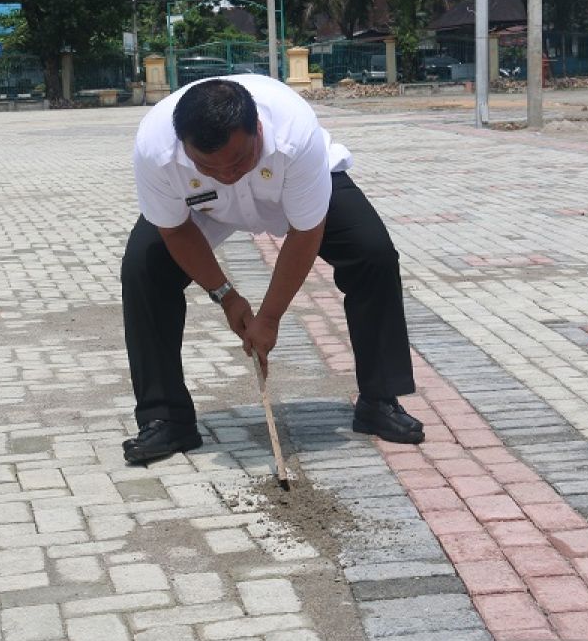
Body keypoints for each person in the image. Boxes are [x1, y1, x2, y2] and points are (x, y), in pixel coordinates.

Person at [121, 75, 424, 463]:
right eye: (208, 166)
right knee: (142, 269)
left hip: (290, 191)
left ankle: (379, 400)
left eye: (238, 161)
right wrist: (227, 297)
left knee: (373, 254)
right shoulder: (155, 148)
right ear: (184, 147)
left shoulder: (296, 133)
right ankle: (165, 419)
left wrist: (269, 317)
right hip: (203, 206)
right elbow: (175, 229)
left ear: (257, 130)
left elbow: (305, 233)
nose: (227, 175)